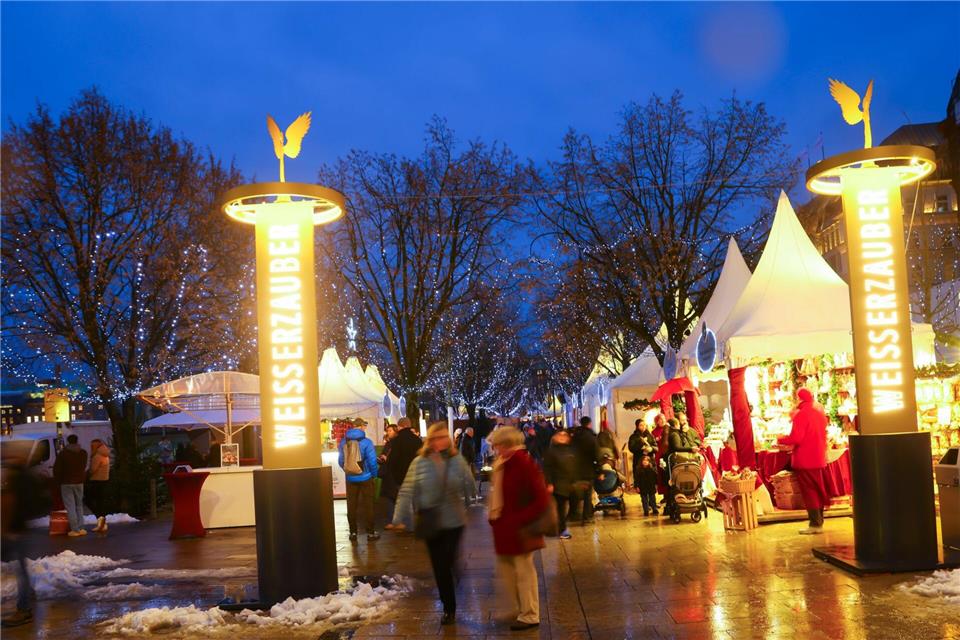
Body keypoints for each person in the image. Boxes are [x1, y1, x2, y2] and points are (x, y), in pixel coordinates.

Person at [393, 422, 476, 626]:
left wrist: (468, 495)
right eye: (436, 438)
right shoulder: (419, 462)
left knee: (447, 560)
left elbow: (469, 482)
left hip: (454, 520)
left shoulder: (457, 460)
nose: (440, 441)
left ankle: (453, 569)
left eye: (443, 437)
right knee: (440, 566)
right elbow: (407, 490)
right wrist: (398, 517)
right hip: (430, 520)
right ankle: (449, 608)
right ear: (429, 441)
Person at [487, 426, 549, 631]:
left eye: (496, 446)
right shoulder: (503, 464)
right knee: (509, 573)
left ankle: (530, 614)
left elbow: (540, 499)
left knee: (524, 573)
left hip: (520, 529)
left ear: (506, 445)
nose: (494, 450)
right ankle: (518, 608)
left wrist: (519, 520)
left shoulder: (522, 463)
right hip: (505, 528)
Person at [778, 388, 829, 534]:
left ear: (799, 399)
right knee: (817, 489)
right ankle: (819, 521)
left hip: (805, 458)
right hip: (818, 457)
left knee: (809, 491)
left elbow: (796, 438)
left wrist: (781, 438)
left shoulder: (801, 415)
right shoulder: (819, 414)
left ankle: (815, 524)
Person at [1, 445, 41, 628]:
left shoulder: (15, 476)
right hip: (23, 527)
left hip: (15, 528)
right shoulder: (27, 474)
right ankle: (28, 596)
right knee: (21, 568)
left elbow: (9, 502)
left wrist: (4, 526)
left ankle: (24, 609)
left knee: (21, 571)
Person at [338, 423, 379, 541]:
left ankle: (353, 532)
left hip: (350, 478)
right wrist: (374, 475)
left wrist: (348, 471)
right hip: (366, 477)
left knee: (351, 505)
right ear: (361, 429)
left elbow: (341, 460)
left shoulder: (343, 442)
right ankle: (370, 533)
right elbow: (372, 461)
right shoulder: (367, 442)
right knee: (368, 505)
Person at [383, 417, 422, 530]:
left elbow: (393, 460)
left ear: (401, 426)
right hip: (416, 474)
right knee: (415, 500)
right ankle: (417, 524)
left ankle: (409, 525)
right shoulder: (417, 440)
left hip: (401, 476)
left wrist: (393, 473)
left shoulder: (397, 441)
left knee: (406, 500)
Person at [542, 429, 577, 539]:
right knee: (561, 508)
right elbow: (547, 468)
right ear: (555, 438)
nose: (562, 437)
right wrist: (549, 483)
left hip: (571, 483)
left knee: (574, 505)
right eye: (560, 435)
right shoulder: (551, 451)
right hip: (558, 483)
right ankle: (562, 530)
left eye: (564, 435)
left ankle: (561, 525)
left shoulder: (571, 449)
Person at [54, 434, 89, 536]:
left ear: (68, 441)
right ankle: (81, 527)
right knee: (79, 505)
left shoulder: (63, 454)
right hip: (79, 482)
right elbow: (84, 466)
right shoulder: (83, 453)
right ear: (77, 441)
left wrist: (58, 481)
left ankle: (75, 529)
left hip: (66, 482)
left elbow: (57, 469)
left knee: (70, 506)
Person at [569, 416, 598, 523]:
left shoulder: (575, 436)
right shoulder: (591, 437)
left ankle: (573, 513)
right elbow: (595, 453)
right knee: (587, 494)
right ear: (589, 424)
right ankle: (586, 516)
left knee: (576, 492)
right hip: (588, 469)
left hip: (576, 469)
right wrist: (598, 467)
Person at [86, 439, 111, 534]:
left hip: (96, 481)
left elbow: (93, 470)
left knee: (90, 500)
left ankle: (100, 522)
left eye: (92, 446)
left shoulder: (97, 456)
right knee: (101, 503)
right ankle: (102, 523)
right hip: (104, 480)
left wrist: (87, 475)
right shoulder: (105, 455)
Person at [628, 418, 657, 490]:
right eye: (641, 425)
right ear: (637, 426)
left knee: (650, 474)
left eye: (644, 425)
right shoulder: (633, 436)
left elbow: (656, 447)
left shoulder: (650, 435)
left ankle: (652, 487)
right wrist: (641, 445)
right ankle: (639, 488)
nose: (643, 426)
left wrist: (651, 449)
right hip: (638, 459)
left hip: (649, 459)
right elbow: (631, 448)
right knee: (639, 474)